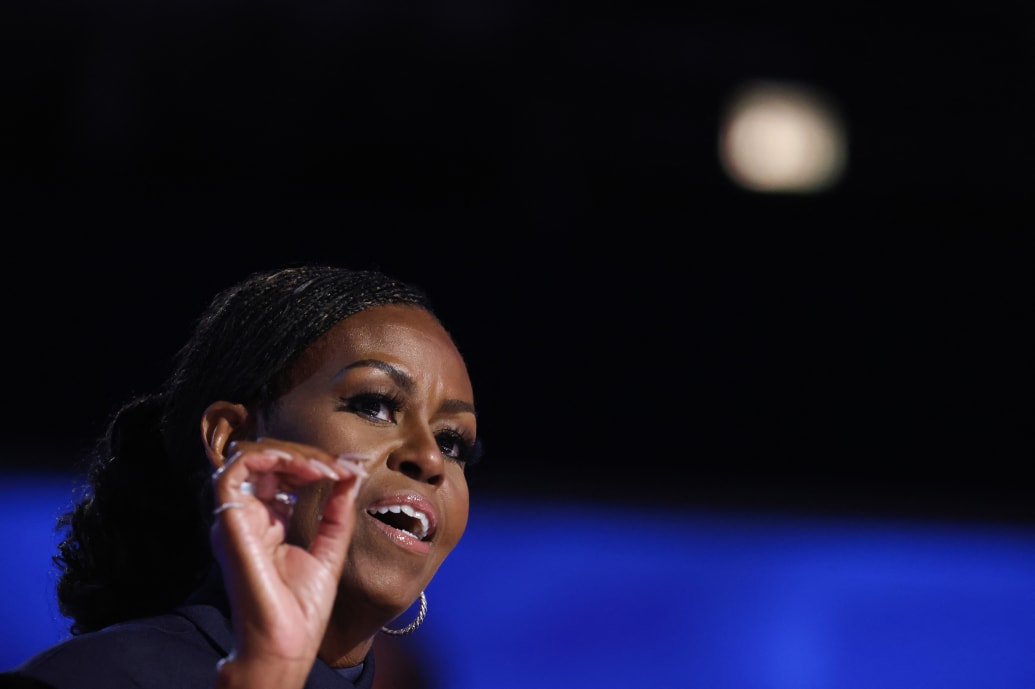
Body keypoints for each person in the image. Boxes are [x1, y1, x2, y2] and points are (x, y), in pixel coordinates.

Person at [7, 264, 482, 689]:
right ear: (233, 440)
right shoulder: (86, 679)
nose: (430, 459)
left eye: (450, 442)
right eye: (374, 405)